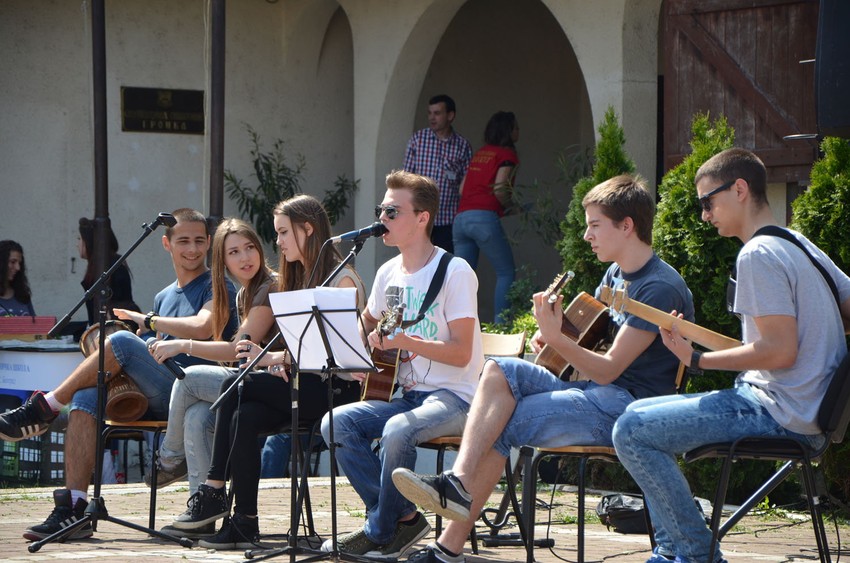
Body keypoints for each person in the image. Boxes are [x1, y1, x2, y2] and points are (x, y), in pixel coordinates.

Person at [392, 174, 695, 563]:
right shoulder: (616, 274)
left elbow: (608, 370)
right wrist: (555, 337)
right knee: (500, 369)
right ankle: (457, 484)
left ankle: (448, 542)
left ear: (626, 226)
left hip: (628, 407)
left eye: (595, 225)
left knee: (502, 420)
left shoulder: (659, 288)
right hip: (594, 392)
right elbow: (593, 344)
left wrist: (557, 338)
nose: (586, 235)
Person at [611, 148, 850, 563]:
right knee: (637, 415)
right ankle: (671, 552)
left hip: (778, 411)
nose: (705, 215)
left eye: (708, 202)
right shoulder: (798, 243)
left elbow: (779, 351)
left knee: (631, 430)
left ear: (739, 189)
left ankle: (695, 554)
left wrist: (696, 360)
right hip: (807, 412)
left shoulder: (757, 254)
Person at [0, 208, 238, 542]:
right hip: (161, 394)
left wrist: (148, 323)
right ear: (166, 244)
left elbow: (204, 326)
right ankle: (75, 508)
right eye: (183, 240)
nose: (193, 248)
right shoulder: (164, 296)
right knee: (86, 394)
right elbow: (158, 348)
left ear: (209, 242)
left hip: (195, 391)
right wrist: (143, 336)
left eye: (200, 241)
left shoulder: (218, 284)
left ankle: (44, 407)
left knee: (122, 342)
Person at [165, 194, 365, 550]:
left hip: (336, 390)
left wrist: (272, 358)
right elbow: (299, 348)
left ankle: (212, 489)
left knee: (235, 384)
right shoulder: (300, 276)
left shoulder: (342, 278)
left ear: (307, 230)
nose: (278, 242)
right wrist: (277, 361)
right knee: (244, 415)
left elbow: (334, 353)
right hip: (304, 384)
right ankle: (244, 523)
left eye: (283, 232)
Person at [319, 170, 484, 560]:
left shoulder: (454, 272)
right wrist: (360, 350)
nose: (381, 219)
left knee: (397, 430)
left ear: (422, 218)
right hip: (407, 395)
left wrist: (406, 341)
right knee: (335, 424)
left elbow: (461, 353)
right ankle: (403, 519)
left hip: (456, 398)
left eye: (392, 212)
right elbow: (367, 322)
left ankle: (379, 530)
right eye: (381, 210)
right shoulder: (387, 273)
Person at [141, 218, 278, 538]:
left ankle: (169, 459)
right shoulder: (244, 293)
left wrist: (183, 345)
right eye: (234, 252)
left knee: (188, 379)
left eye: (250, 248)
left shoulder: (271, 286)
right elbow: (238, 355)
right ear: (223, 261)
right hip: (249, 383)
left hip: (272, 386)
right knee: (197, 415)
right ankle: (202, 513)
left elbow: (237, 349)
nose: (245, 257)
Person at [453, 111, 520, 324]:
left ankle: (457, 324)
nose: (518, 131)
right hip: (483, 219)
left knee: (462, 277)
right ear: (509, 131)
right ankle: (503, 327)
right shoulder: (507, 155)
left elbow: (462, 189)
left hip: (461, 219)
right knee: (506, 272)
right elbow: (500, 189)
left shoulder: (480, 153)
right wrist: (511, 206)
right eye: (516, 127)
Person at [403, 94, 472, 253]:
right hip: (420, 217)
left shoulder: (462, 145)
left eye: (437, 113)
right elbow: (406, 179)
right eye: (429, 113)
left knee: (445, 263)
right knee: (418, 260)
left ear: (450, 115)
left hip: (448, 219)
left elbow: (466, 184)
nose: (432, 118)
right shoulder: (418, 140)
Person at [77, 217, 140, 328]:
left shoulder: (110, 266)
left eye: (80, 239)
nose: (77, 244)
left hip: (114, 328)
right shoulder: (105, 264)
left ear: (89, 241)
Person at [0, 240, 35, 317]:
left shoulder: (22, 295)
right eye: (13, 262)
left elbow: (34, 323)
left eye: (19, 263)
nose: (18, 268)